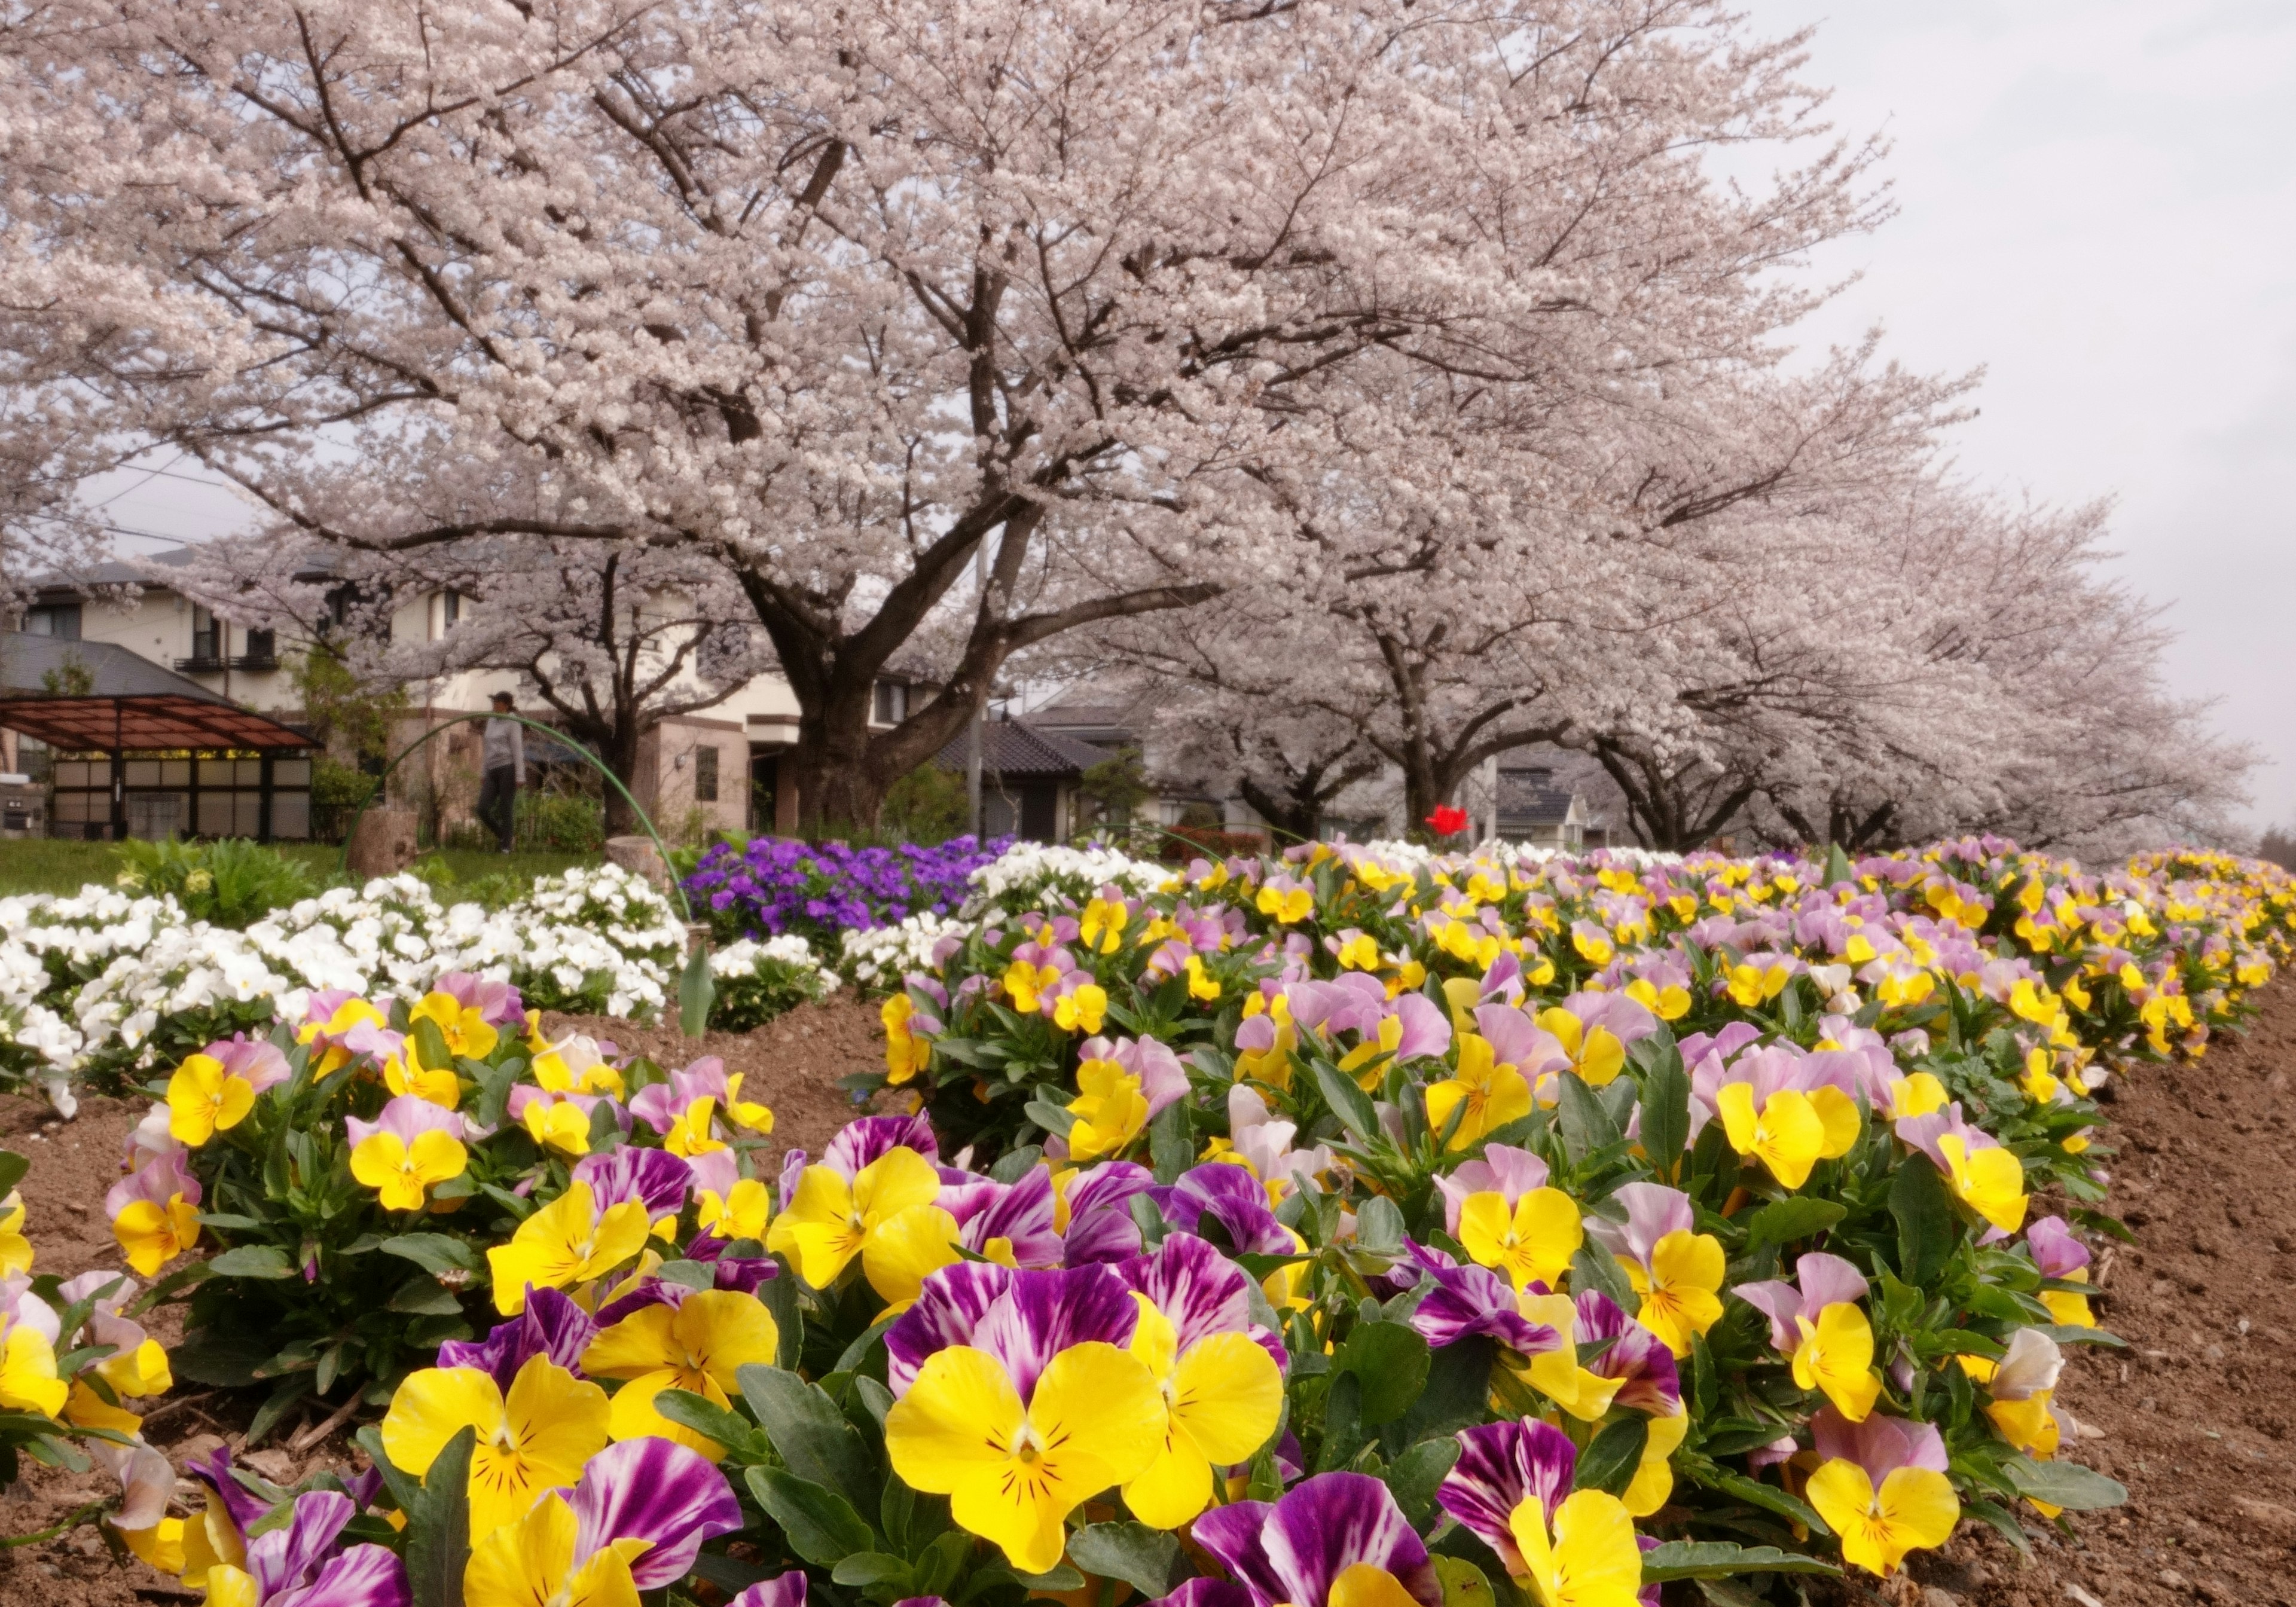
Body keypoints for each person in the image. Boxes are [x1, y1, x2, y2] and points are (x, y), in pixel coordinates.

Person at [475, 691, 525, 853]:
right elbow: (487, 748)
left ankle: (506, 847)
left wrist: (520, 775)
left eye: (498, 703)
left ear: (507, 705)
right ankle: (505, 836)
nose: (495, 706)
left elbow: (517, 749)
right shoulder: (491, 721)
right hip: (492, 768)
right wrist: (483, 772)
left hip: (507, 768)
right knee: (482, 808)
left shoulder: (513, 721)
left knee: (505, 808)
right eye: (494, 703)